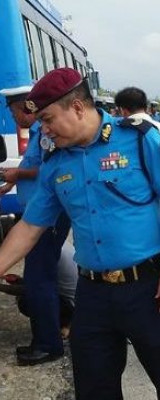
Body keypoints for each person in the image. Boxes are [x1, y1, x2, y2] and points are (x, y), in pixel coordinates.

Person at [0, 68, 160, 400]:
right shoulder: (55, 162)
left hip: (147, 288)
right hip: (92, 293)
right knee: (94, 386)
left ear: (78, 107)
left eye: (48, 119)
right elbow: (30, 227)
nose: (44, 129)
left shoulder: (140, 139)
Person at [0, 85, 71, 366]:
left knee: (40, 279)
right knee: (38, 278)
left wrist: (18, 173)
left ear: (26, 108)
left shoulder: (46, 134)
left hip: (47, 218)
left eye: (14, 112)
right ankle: (46, 339)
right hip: (38, 214)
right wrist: (13, 181)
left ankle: (48, 344)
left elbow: (49, 170)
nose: (14, 118)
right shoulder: (36, 135)